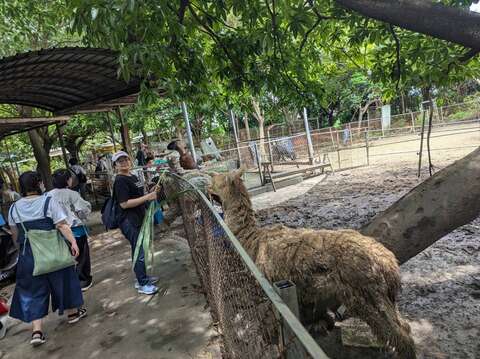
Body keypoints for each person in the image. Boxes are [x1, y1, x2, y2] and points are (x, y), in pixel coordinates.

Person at [8, 171, 86, 346]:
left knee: (33, 290)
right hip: (54, 252)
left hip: (29, 254)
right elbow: (62, 225)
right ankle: (72, 313)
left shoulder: (14, 208)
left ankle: (37, 332)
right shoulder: (48, 202)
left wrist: (22, 249)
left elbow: (15, 234)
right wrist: (73, 242)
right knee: (64, 279)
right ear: (39, 183)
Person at [112, 151, 159, 295]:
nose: (124, 162)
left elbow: (138, 194)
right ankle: (142, 283)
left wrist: (150, 192)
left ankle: (143, 277)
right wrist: (147, 197)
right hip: (129, 220)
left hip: (138, 217)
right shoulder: (120, 180)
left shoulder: (132, 176)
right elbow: (124, 204)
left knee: (139, 249)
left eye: (126, 159)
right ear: (115, 165)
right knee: (139, 250)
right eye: (120, 161)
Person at [49, 169, 93, 291]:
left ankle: (69, 282)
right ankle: (83, 280)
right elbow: (83, 209)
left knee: (66, 257)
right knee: (81, 256)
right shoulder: (72, 194)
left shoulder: (48, 195)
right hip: (75, 230)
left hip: (58, 231)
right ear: (68, 180)